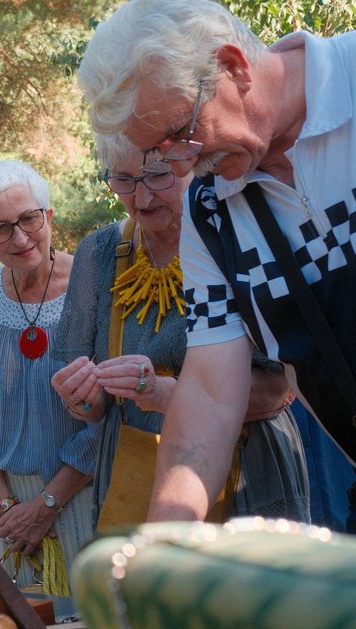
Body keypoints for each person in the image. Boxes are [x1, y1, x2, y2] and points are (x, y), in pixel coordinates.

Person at [77, 0, 356, 530]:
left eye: (181, 133)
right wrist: (164, 545)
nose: (185, 164)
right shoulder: (210, 212)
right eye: (160, 155)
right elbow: (212, 391)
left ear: (233, 66)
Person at [50, 135, 310, 524]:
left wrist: (169, 394)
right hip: (131, 473)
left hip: (249, 473)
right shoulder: (99, 253)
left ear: (193, 165)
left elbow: (280, 390)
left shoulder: (239, 236)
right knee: (143, 580)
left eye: (156, 175)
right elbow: (95, 409)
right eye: (122, 180)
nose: (141, 199)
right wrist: (80, 398)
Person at [0, 160, 98, 620]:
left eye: (28, 219)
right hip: (12, 511)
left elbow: (110, 413)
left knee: (91, 622)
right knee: (29, 622)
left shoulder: (93, 285)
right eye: (0, 228)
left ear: (49, 216)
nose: (19, 239)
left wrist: (49, 502)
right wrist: (5, 507)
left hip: (86, 495)